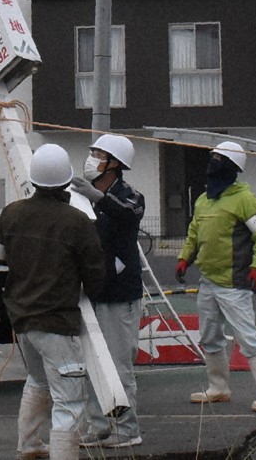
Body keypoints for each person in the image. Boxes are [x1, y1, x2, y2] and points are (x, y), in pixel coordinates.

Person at [0, 144, 106, 460]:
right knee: (70, 399)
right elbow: (96, 275)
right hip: (56, 323)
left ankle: (29, 446)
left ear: (35, 180)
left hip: (22, 320)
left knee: (38, 381)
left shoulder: (11, 213)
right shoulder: (77, 221)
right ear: (66, 182)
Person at [174, 141, 256, 412]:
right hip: (207, 281)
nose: (212, 163)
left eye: (217, 158)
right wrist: (185, 258)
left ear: (230, 165)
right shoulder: (203, 200)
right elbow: (194, 233)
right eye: (212, 157)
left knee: (248, 337)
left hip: (234, 283)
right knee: (209, 336)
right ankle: (218, 388)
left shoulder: (244, 199)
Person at [70, 134, 145, 448]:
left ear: (114, 163)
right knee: (92, 364)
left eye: (97, 154)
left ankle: (127, 428)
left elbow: (128, 214)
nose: (91, 159)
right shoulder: (82, 197)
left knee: (118, 363)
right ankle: (100, 426)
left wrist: (98, 198)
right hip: (92, 291)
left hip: (120, 293)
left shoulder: (130, 195)